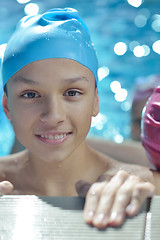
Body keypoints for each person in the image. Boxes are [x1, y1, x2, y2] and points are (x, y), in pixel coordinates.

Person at [0, 8, 159, 229]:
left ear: (96, 101)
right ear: (7, 107)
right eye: (30, 95)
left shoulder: (133, 184)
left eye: (72, 93)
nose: (53, 116)